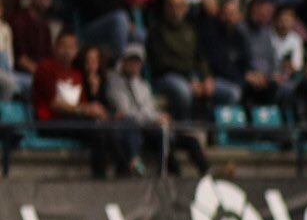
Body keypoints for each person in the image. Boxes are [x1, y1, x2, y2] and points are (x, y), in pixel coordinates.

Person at [106, 45, 209, 176]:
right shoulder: (115, 84)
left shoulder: (143, 86)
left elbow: (149, 108)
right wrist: (153, 118)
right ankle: (141, 165)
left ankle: (206, 172)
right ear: (124, 61)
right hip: (131, 130)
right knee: (139, 126)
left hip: (149, 127)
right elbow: (125, 111)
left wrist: (161, 116)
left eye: (137, 61)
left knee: (187, 139)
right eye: (131, 61)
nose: (134, 65)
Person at [32, 32, 123, 177]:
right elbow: (54, 104)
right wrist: (85, 109)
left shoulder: (76, 74)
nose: (68, 50)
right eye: (63, 46)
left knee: (106, 126)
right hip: (50, 121)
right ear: (55, 48)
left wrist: (95, 107)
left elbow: (83, 104)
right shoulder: (45, 68)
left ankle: (121, 168)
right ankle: (109, 173)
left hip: (72, 120)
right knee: (96, 128)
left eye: (72, 47)